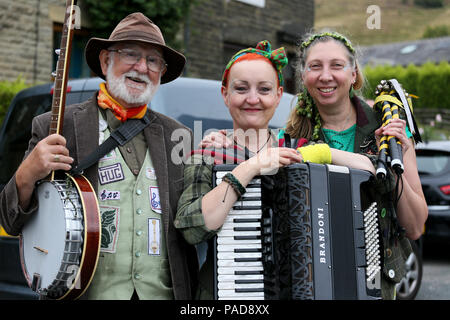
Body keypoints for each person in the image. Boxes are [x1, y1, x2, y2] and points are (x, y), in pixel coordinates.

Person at [0, 12, 198, 300]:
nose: (142, 67)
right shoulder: (55, 126)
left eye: (153, 60)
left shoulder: (178, 136)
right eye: (131, 54)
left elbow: (193, 222)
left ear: (162, 72)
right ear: (106, 60)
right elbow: (9, 221)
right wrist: (27, 172)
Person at [174, 40, 376, 299]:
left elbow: (368, 169)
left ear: (279, 95)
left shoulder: (296, 148)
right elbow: (193, 230)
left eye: (264, 89)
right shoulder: (209, 153)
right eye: (241, 89)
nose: (253, 99)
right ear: (225, 94)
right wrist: (251, 166)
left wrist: (321, 152)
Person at [283, 30, 428, 299]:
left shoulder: (389, 126)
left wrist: (394, 167)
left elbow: (415, 227)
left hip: (374, 283)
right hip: (312, 283)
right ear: (304, 77)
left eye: (337, 65)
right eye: (315, 66)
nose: (326, 76)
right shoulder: (290, 137)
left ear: (353, 74)